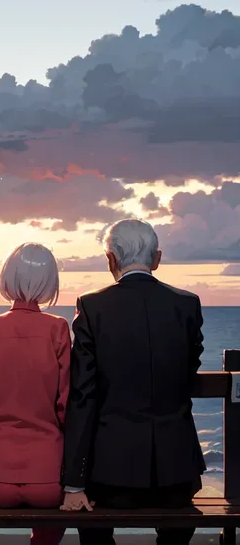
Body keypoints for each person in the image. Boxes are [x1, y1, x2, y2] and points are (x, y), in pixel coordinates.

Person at [60, 219, 206, 545]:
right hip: (177, 473)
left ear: (111, 259)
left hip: (111, 476)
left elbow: (83, 395)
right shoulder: (187, 304)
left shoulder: (92, 306)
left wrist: (74, 481)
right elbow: (188, 369)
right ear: (157, 258)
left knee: (94, 535)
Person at [0, 242, 71, 545]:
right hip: (48, 479)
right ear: (49, 281)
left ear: (7, 277)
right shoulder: (58, 329)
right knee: (54, 514)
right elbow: (65, 406)